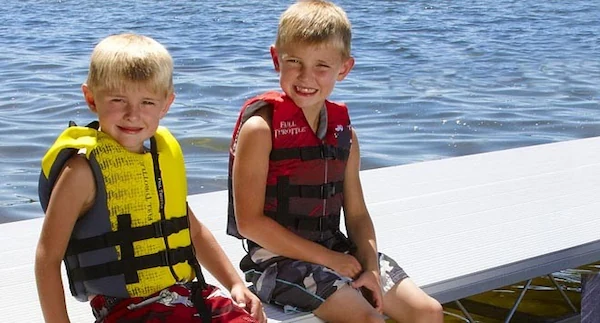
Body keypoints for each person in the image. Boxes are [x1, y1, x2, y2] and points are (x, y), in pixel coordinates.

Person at [226, 1, 443, 322]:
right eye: (294, 61)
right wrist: (330, 260)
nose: (306, 76)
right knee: (367, 317)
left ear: (344, 68)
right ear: (276, 59)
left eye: (321, 66)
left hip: (336, 250)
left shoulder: (345, 135)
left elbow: (356, 215)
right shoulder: (261, 129)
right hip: (275, 262)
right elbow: (250, 223)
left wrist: (368, 268)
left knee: (428, 311)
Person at [35, 33, 265, 323]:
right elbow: (48, 257)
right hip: (125, 308)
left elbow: (193, 232)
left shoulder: (159, 159)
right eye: (118, 99)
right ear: (91, 98)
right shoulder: (81, 174)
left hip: (183, 295)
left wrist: (235, 283)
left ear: (166, 104)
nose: (133, 114)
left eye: (147, 102)